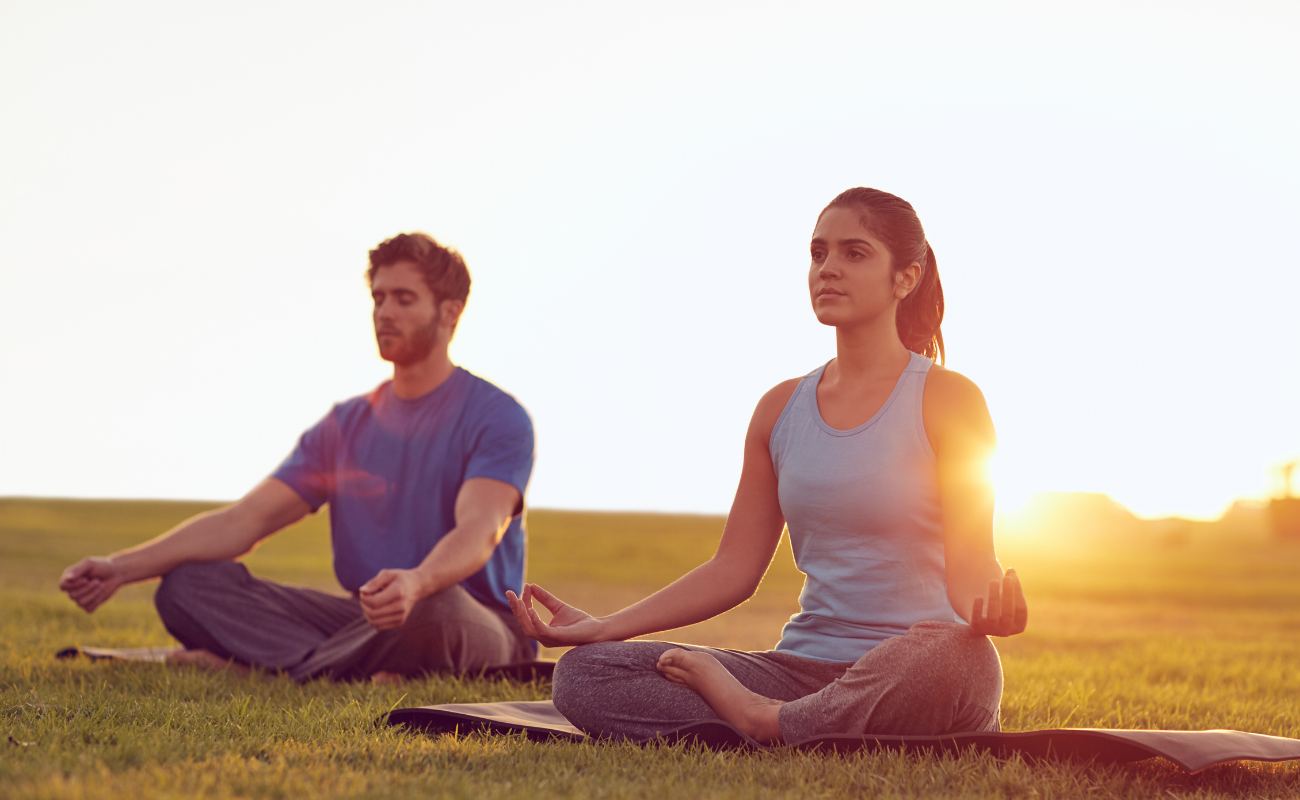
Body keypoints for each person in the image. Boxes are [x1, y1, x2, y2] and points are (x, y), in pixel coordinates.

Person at [508, 188, 1027, 743]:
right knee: (587, 673)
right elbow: (732, 569)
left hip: (915, 664)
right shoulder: (780, 409)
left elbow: (973, 567)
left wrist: (994, 611)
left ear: (906, 278)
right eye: (818, 252)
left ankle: (762, 723)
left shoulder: (950, 400)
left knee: (957, 656)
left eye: (854, 253)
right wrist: (603, 629)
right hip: (797, 672)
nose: (827, 269)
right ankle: (795, 723)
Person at [59, 233, 537, 682]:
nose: (384, 312)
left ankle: (263, 664)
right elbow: (243, 522)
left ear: (450, 312)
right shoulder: (345, 425)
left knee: (435, 607)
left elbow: (480, 530)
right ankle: (337, 667)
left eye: (403, 299)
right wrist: (121, 568)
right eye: (378, 298)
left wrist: (416, 582)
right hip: (364, 618)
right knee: (187, 586)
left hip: (471, 620)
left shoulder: (497, 417)